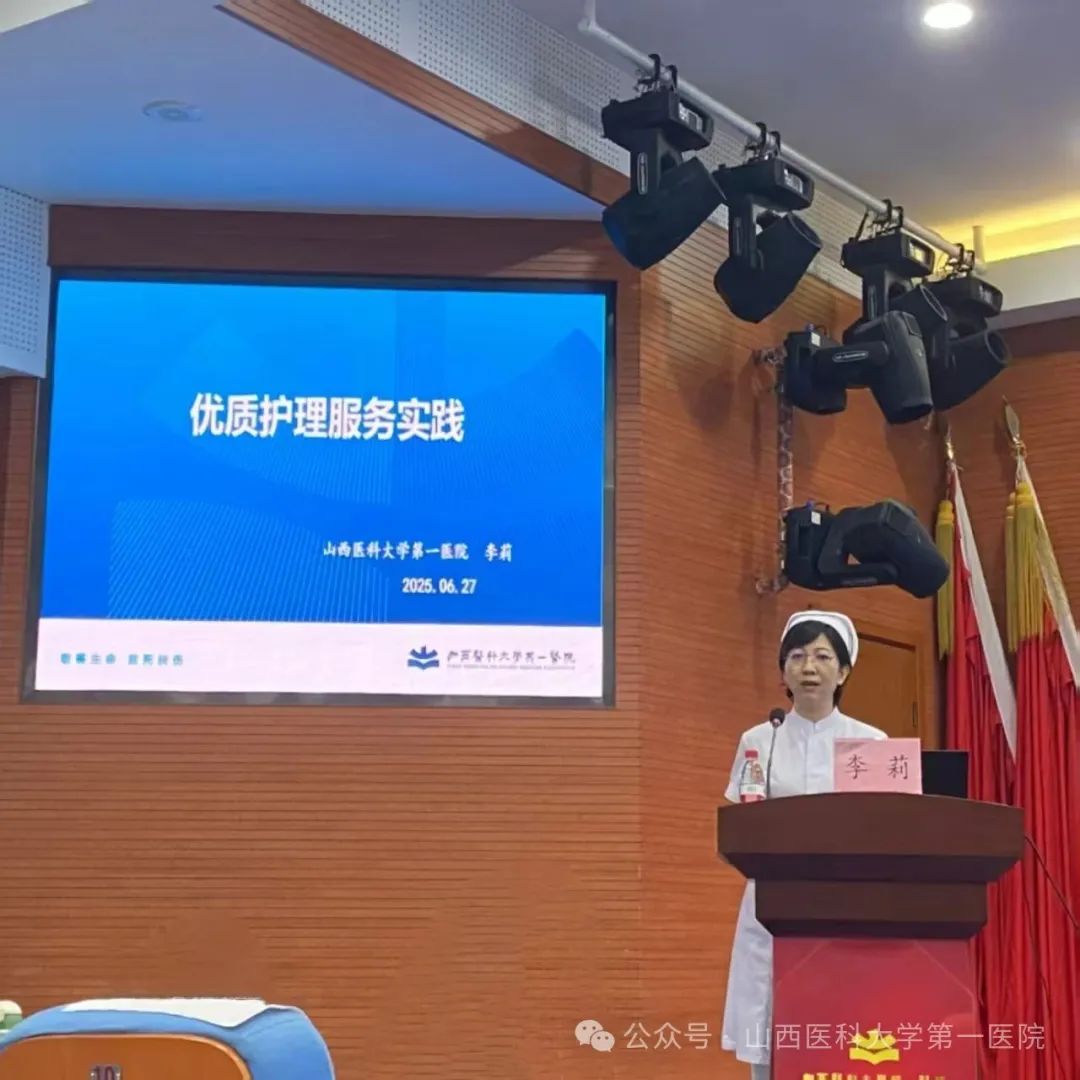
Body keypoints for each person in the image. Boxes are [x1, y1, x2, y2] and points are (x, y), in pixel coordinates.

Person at [720, 610, 887, 1080]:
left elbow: (885, 829)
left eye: (822, 656)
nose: (808, 667)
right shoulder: (760, 739)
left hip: (846, 904)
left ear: (844, 671)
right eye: (796, 656)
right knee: (770, 1027)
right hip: (772, 905)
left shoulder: (870, 742)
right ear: (784, 671)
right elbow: (742, 823)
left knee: (844, 1028)